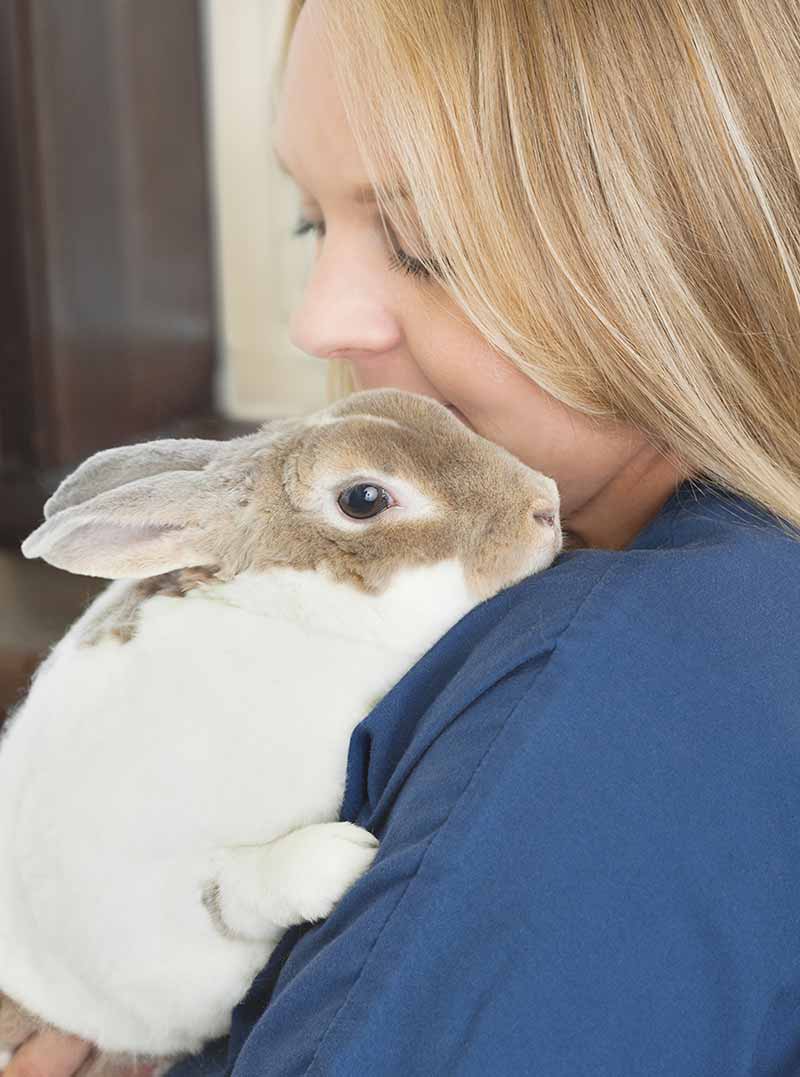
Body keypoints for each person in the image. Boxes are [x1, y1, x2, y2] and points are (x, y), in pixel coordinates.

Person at [7, 0, 800, 1073]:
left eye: (424, 247)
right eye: (310, 224)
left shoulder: (604, 684)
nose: (318, 321)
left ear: (684, 247)